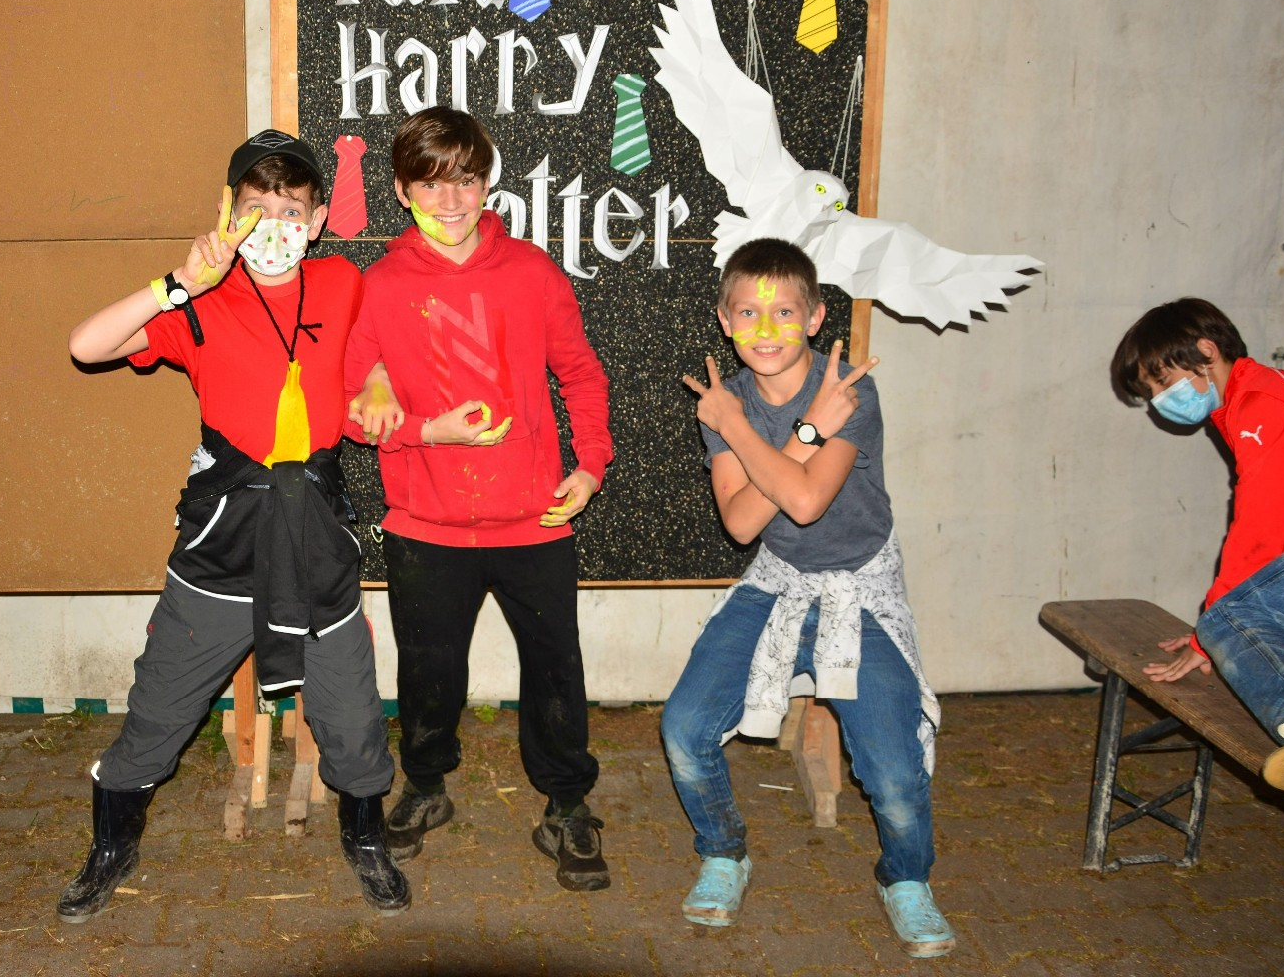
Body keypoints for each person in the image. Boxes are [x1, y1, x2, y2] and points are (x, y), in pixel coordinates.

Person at [57, 130, 407, 922]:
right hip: (222, 540)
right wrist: (180, 282)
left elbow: (379, 347)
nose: (274, 225)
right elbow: (86, 346)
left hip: (314, 539)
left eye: (291, 209)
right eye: (256, 208)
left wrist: (382, 376)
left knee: (352, 714)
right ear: (229, 212)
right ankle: (112, 845)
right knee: (160, 709)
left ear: (318, 220)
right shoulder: (202, 299)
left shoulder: (342, 281)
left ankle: (366, 839)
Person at [341, 106, 615, 891]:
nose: (451, 199)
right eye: (430, 183)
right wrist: (423, 429)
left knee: (556, 670)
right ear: (402, 191)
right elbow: (348, 411)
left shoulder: (531, 271)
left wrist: (590, 466)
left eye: (465, 179)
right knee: (428, 674)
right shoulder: (379, 286)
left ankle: (567, 805)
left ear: (487, 183)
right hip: (425, 525)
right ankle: (426, 786)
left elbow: (581, 374)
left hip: (535, 520)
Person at [660, 238, 955, 958]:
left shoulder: (849, 390)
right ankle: (724, 852)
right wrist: (801, 430)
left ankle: (906, 878)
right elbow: (741, 524)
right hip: (778, 581)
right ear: (725, 320)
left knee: (892, 772)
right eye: (748, 313)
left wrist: (752, 428)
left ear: (816, 317)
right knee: (684, 728)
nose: (766, 329)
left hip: (860, 586)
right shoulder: (727, 403)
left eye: (785, 312)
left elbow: (803, 501)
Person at [1111, 296, 1284, 920]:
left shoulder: (1261, 403)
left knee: (1231, 619)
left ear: (1206, 351)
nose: (1159, 400)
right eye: (1149, 392)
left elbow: (1258, 534)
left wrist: (1213, 636)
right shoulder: (1251, 405)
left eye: (1160, 380)